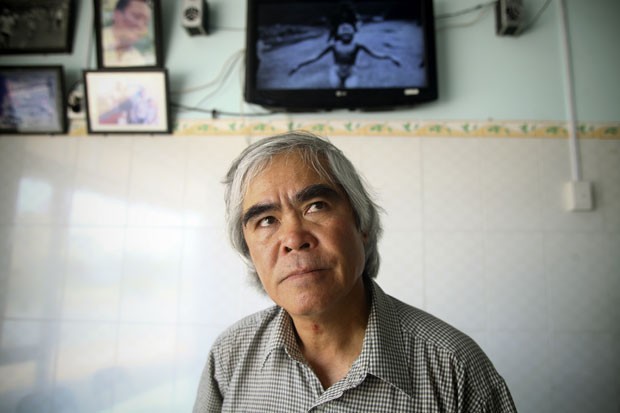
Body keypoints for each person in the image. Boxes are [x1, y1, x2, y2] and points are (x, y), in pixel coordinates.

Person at [193, 131, 518, 412]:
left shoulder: (454, 367)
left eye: (316, 205)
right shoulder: (229, 357)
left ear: (361, 225)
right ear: (249, 250)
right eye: (266, 220)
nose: (293, 238)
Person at [288, 22, 401, 88]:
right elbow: (315, 57)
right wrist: (298, 65)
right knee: (337, 92)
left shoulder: (357, 45)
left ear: (352, 34)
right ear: (339, 34)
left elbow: (375, 54)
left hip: (351, 70)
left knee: (350, 90)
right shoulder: (333, 45)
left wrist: (390, 57)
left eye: (348, 33)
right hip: (336, 69)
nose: (346, 36)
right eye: (344, 33)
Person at [102, 0, 155, 67]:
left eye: (145, 23)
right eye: (136, 16)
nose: (140, 25)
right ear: (117, 15)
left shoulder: (137, 59)